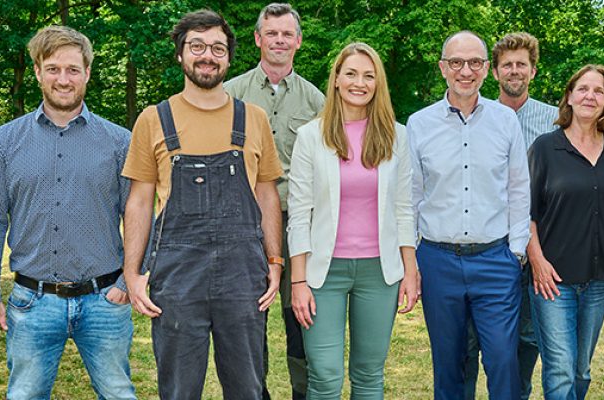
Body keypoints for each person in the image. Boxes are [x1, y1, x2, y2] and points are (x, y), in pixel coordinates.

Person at [0, 25, 136, 399]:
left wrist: (128, 282)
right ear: (38, 72)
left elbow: (140, 218)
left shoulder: (120, 142)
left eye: (73, 69)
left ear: (87, 73)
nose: (63, 79)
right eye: (53, 69)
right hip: (32, 302)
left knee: (119, 393)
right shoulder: (4, 142)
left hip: (105, 301)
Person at [121, 9, 284, 399]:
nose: (207, 56)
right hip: (177, 276)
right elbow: (139, 201)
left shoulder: (254, 118)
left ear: (228, 58)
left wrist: (275, 261)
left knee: (248, 387)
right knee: (179, 389)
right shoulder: (153, 119)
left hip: (243, 274)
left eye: (217, 48)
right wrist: (132, 272)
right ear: (180, 53)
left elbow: (266, 195)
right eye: (197, 46)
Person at [287, 41, 419, 400]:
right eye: (351, 74)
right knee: (324, 377)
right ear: (336, 79)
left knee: (369, 375)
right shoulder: (311, 136)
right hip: (323, 273)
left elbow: (404, 208)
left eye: (368, 76)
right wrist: (298, 281)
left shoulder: (397, 135)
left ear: (378, 83)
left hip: (380, 272)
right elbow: (298, 213)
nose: (359, 83)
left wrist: (410, 271)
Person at [407, 30, 530, 400]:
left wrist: (516, 252)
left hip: (495, 260)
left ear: (486, 68)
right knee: (449, 364)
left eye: (474, 62)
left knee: (503, 360)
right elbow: (410, 196)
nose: (465, 71)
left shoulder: (505, 121)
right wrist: (411, 258)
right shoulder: (419, 124)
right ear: (442, 67)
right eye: (456, 62)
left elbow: (518, 188)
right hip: (438, 260)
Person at [225, 4, 325, 398]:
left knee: (301, 314)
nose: (279, 41)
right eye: (272, 33)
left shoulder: (317, 102)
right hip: (245, 225)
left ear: (298, 41)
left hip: (300, 224)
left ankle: (304, 391)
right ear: (258, 39)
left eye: (287, 34)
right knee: (251, 316)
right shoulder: (231, 95)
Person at [527, 64, 604, 400]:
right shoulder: (545, 148)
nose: (590, 96)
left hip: (601, 280)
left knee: (581, 370)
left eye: (599, 91)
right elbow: (526, 214)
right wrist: (537, 262)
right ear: (570, 97)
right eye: (583, 89)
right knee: (560, 368)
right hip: (552, 280)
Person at [463, 31, 557, 400]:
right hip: (483, 248)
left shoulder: (555, 121)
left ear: (533, 71)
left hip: (535, 252)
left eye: (521, 64)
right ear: (494, 71)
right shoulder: (476, 116)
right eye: (507, 65)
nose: (514, 70)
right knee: (468, 344)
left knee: (524, 344)